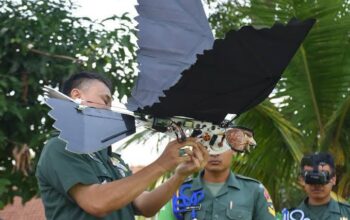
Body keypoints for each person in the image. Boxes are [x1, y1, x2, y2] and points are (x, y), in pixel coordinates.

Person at [36, 72, 208, 219]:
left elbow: (144, 206)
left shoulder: (111, 158)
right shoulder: (61, 146)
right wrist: (161, 164)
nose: (109, 109)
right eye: (105, 100)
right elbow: (96, 202)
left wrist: (179, 175)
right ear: (77, 96)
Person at [161, 128, 276, 220]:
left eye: (221, 146)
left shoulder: (255, 190)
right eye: (207, 146)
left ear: (234, 151)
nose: (214, 154)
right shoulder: (179, 190)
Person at [293, 152, 350, 219]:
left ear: (333, 179)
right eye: (310, 176)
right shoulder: (291, 217)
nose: (316, 184)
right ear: (302, 180)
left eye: (323, 175)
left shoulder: (347, 212)